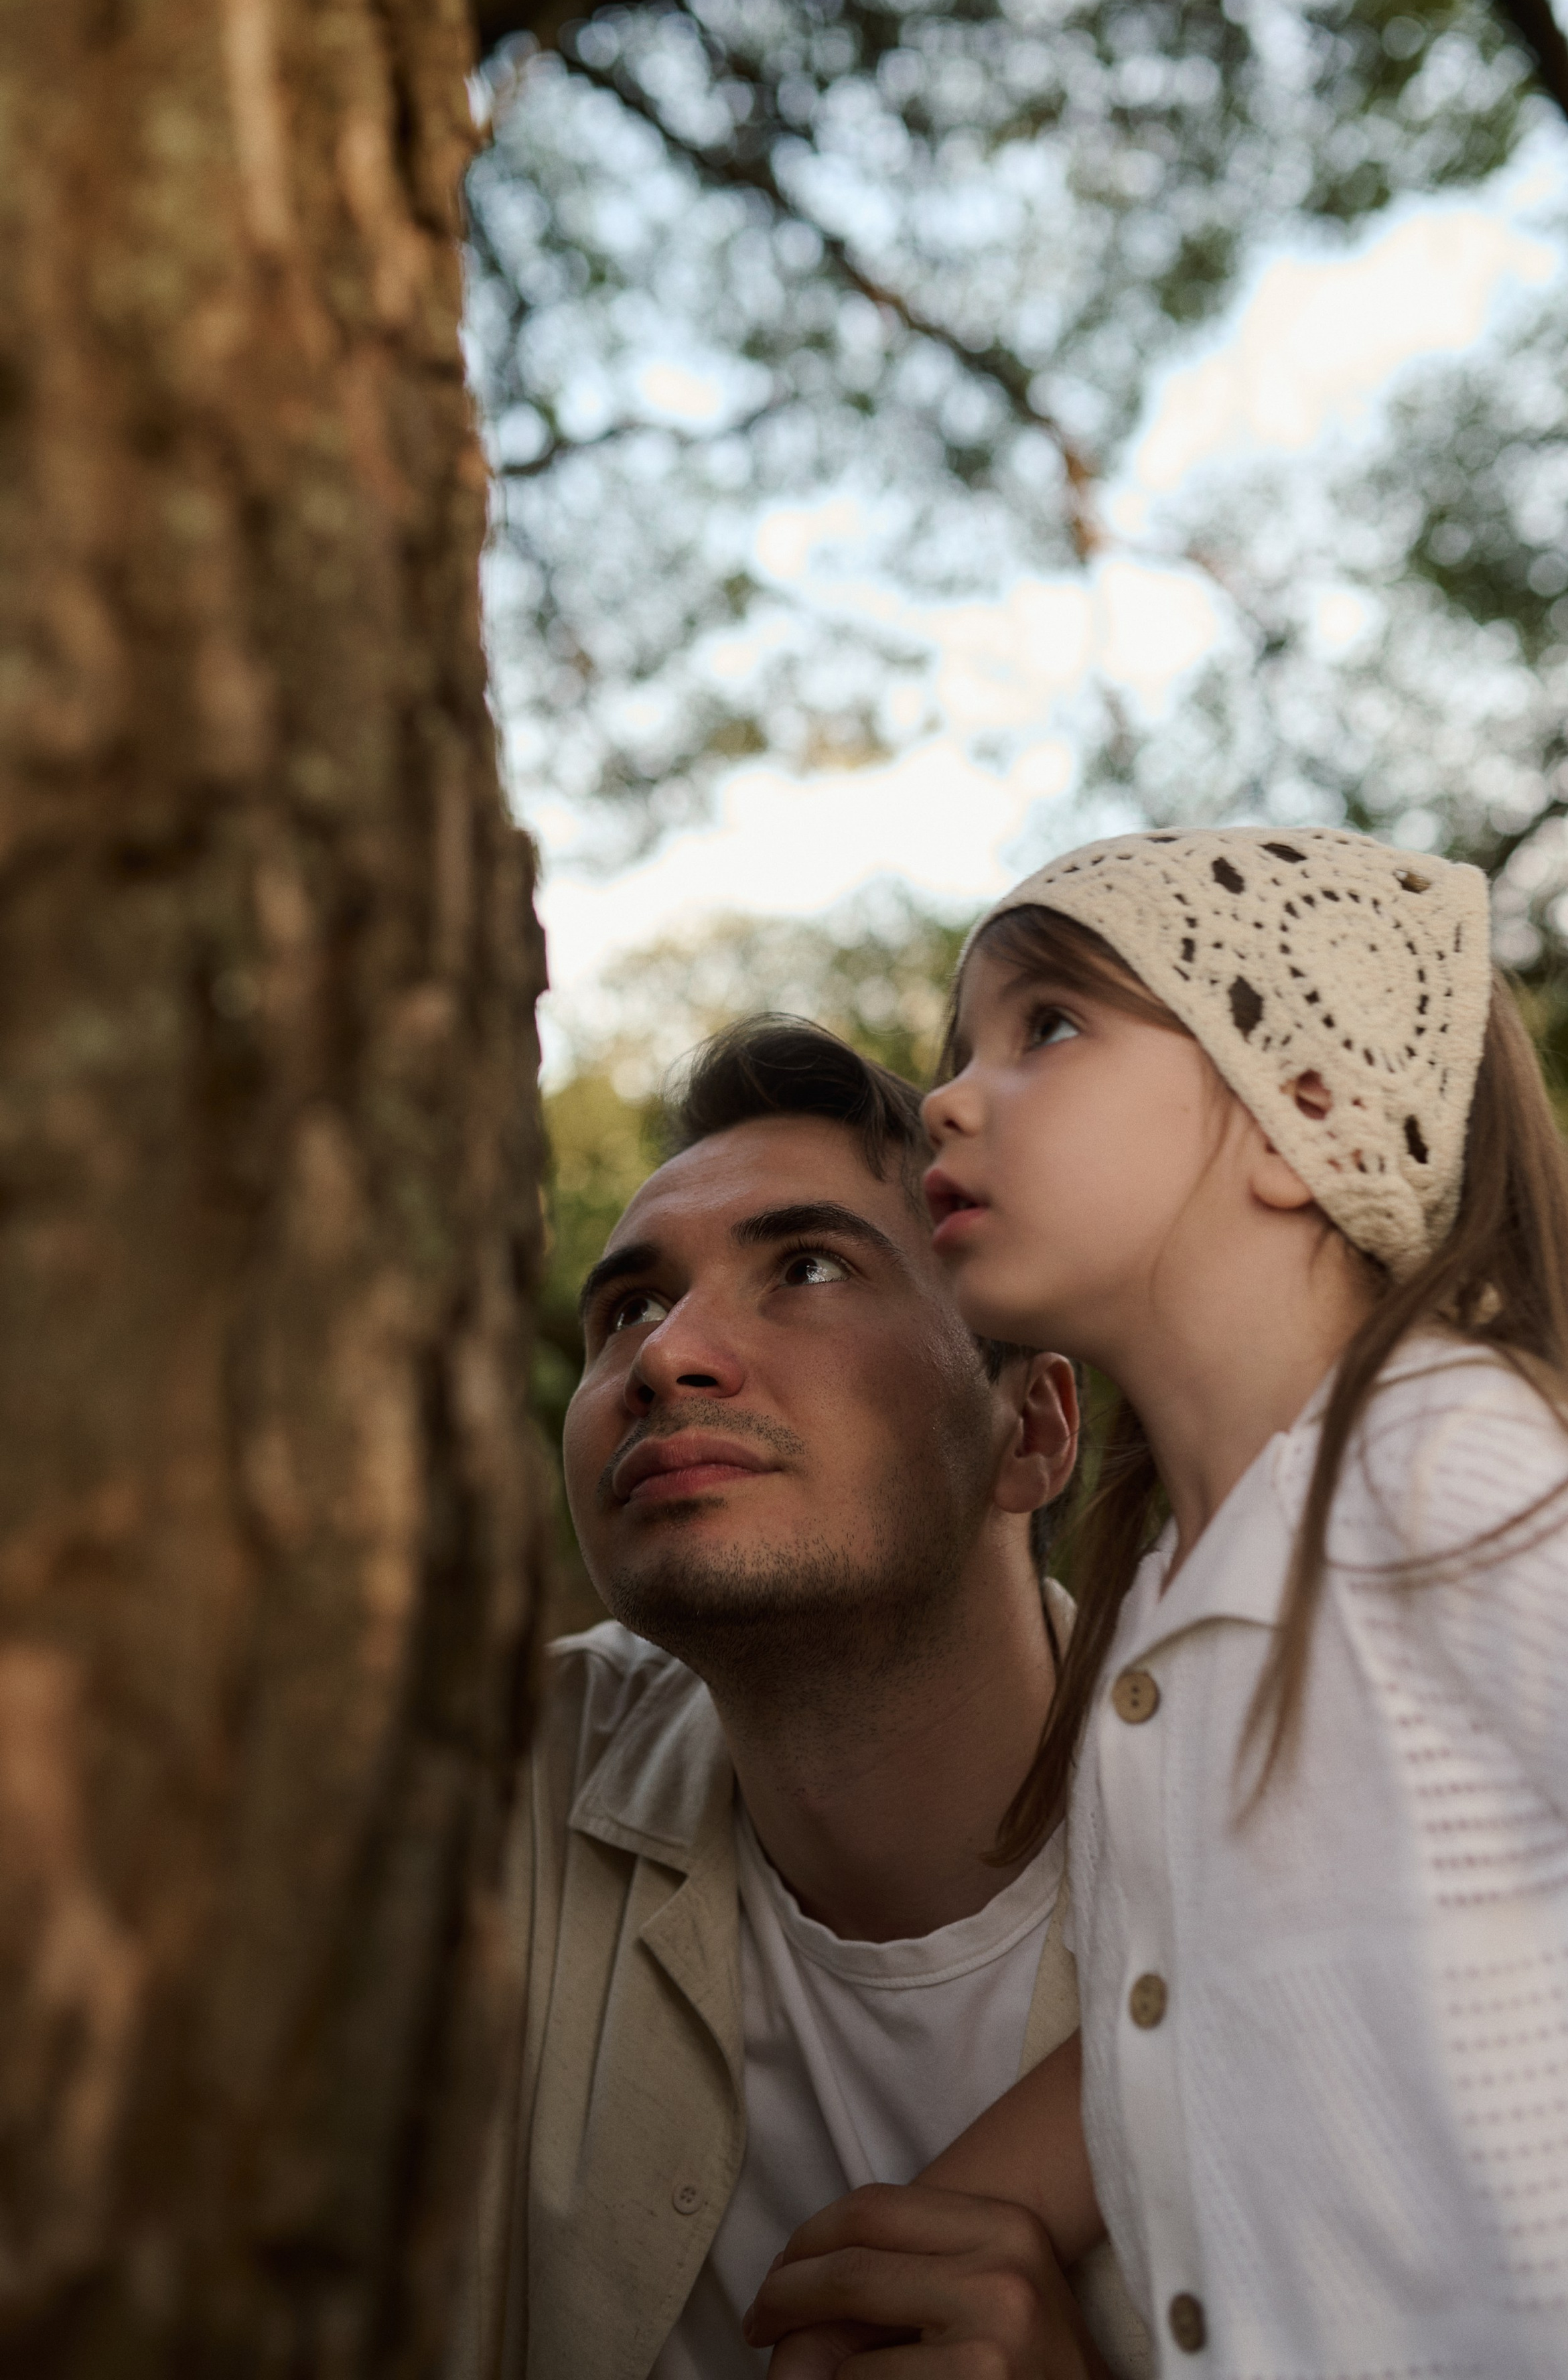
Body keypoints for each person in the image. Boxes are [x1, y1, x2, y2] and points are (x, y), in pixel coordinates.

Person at [749, 828, 1568, 2380]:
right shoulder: (1152, 1605)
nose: (945, 1094)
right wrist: (912, 2238)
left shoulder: (1438, 1471)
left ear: (1302, 1111)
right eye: (960, 1046)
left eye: (1045, 1026)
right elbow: (1195, 2023)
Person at [447, 1016, 1153, 2380]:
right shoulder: (481, 1788)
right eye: (627, 1307)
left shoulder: (1293, 1852)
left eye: (808, 1266)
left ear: (1035, 1427)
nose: (666, 1355)